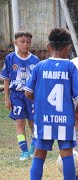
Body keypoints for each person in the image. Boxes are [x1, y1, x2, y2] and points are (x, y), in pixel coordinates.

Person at [24, 28, 78, 180]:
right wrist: (77, 113)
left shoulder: (40, 66)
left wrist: (41, 102)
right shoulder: (70, 67)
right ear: (68, 47)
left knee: (39, 153)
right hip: (64, 118)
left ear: (48, 46)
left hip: (43, 118)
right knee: (66, 152)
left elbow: (27, 92)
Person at [0, 31, 39, 160]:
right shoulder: (10, 58)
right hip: (16, 95)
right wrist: (6, 97)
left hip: (31, 96)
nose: (25, 44)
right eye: (22, 41)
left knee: (33, 122)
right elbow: (6, 79)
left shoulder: (35, 60)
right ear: (15, 42)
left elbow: (38, 81)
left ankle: (34, 143)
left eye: (28, 42)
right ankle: (24, 150)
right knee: (19, 122)